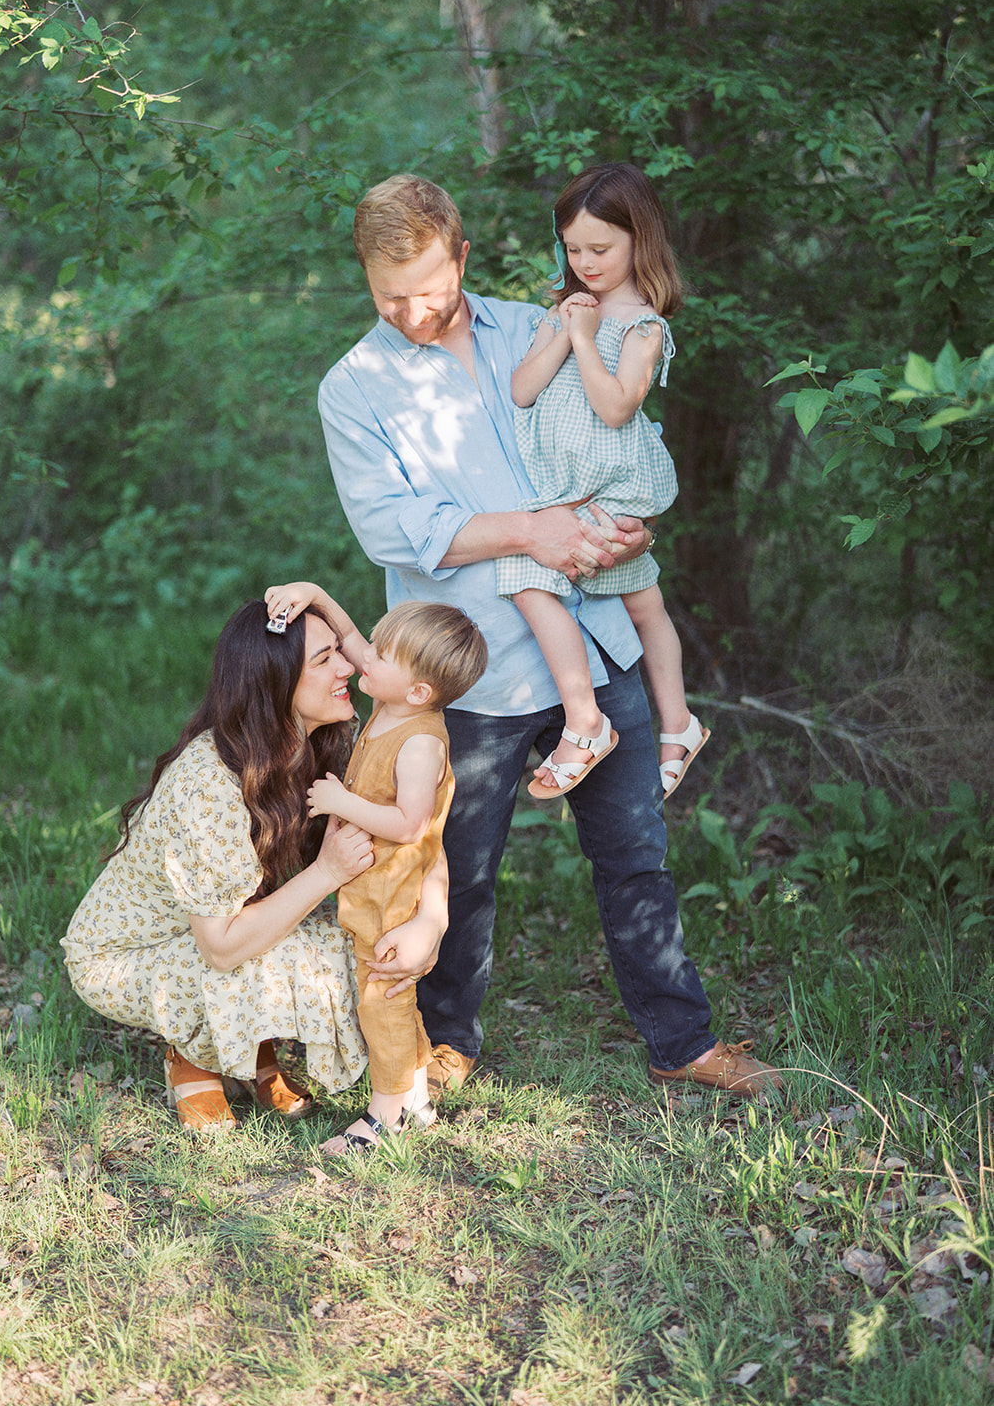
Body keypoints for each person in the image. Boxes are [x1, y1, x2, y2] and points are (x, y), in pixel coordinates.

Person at [317, 172, 782, 1101]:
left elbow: (615, 433)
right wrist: (538, 530)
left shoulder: (549, 318)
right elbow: (396, 529)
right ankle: (445, 1043)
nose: (411, 312)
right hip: (468, 666)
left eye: (429, 288)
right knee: (458, 869)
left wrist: (625, 521)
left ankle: (681, 1040)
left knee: (636, 856)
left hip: (595, 633)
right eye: (388, 296)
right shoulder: (354, 386)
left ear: (463, 253)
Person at [61, 600, 444, 1131]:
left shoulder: (337, 736)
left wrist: (432, 920)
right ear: (275, 680)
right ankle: (196, 1054)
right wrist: (327, 873)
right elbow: (219, 947)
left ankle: (250, 1045)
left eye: (342, 653)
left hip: (230, 922)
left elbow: (416, 827)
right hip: (133, 951)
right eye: (325, 659)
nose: (348, 669)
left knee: (354, 940)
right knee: (286, 948)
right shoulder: (210, 783)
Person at [497, 163, 709, 801]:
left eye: (601, 249)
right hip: (566, 495)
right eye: (572, 248)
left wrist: (587, 338)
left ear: (638, 242)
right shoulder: (562, 310)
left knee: (638, 608)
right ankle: (633, 721)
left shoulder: (644, 324)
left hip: (612, 492)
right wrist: (565, 329)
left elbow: (616, 407)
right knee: (545, 586)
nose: (585, 262)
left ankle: (652, 723)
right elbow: (522, 389)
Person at [264, 583, 487, 1151]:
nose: (363, 656)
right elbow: (355, 640)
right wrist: (315, 594)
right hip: (373, 890)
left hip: (393, 896)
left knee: (379, 1003)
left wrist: (342, 804)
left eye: (381, 655)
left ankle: (383, 1117)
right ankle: (414, 1100)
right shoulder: (394, 700)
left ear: (418, 688)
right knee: (396, 998)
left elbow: (411, 824)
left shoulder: (420, 744)